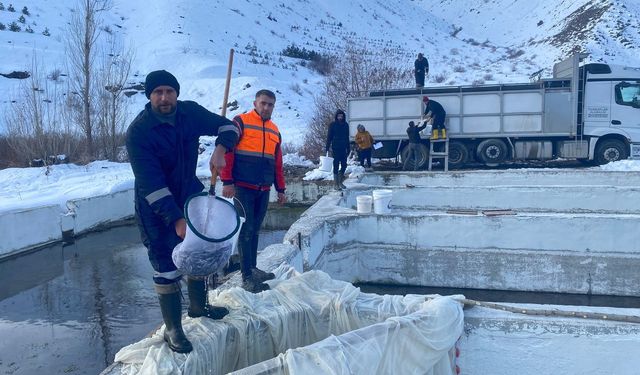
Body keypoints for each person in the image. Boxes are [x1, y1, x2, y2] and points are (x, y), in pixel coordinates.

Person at [126, 70, 240, 353]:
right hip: (155, 206)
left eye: (169, 91)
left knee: (197, 253)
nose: (164, 98)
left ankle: (199, 307)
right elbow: (152, 184)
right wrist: (176, 219)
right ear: (149, 96)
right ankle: (173, 329)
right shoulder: (138, 131)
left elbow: (231, 127)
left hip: (190, 197)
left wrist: (221, 148)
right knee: (166, 266)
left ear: (177, 93)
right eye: (157, 92)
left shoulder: (189, 113)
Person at [220, 89, 286, 293]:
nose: (266, 107)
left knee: (255, 228)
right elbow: (228, 152)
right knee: (246, 231)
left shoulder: (275, 131)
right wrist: (227, 181)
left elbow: (277, 164)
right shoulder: (240, 122)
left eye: (270, 104)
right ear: (255, 103)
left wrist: (281, 189)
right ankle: (246, 276)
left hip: (263, 188)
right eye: (263, 103)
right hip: (242, 187)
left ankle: (253, 268)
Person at [325, 109, 350, 190]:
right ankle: (336, 184)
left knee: (344, 165)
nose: (340, 117)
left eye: (341, 116)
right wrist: (327, 147)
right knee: (336, 165)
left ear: (343, 116)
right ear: (336, 116)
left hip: (343, 147)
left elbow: (347, 137)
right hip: (335, 147)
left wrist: (348, 147)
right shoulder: (332, 125)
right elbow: (329, 137)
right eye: (339, 116)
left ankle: (340, 181)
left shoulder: (346, 125)